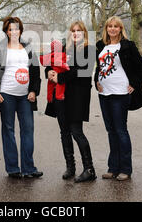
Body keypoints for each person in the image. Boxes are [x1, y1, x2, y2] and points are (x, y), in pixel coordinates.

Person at [0, 16, 42, 179]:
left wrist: (33, 91)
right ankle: (13, 168)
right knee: (8, 131)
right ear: (6, 31)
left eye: (16, 29)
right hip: (6, 95)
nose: (14, 32)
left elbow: (35, 72)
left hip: (25, 96)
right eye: (10, 29)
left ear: (21, 30)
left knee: (28, 130)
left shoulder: (28, 48)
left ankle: (28, 168)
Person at [95, 16, 142, 181]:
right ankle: (113, 168)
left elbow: (141, 67)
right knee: (111, 131)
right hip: (104, 94)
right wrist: (96, 80)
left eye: (116, 26)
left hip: (120, 93)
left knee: (120, 130)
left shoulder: (127, 46)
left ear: (120, 29)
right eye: (110, 26)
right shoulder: (101, 45)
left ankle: (125, 168)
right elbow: (99, 67)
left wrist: (135, 84)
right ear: (106, 29)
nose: (112, 29)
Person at [48, 21, 97, 183]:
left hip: (78, 96)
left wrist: (60, 77)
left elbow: (83, 72)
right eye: (73, 31)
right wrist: (50, 72)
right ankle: (71, 167)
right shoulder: (64, 48)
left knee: (77, 131)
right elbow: (51, 63)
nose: (76, 33)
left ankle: (89, 169)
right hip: (61, 96)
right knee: (64, 132)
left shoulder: (89, 49)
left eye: (79, 31)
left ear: (84, 33)